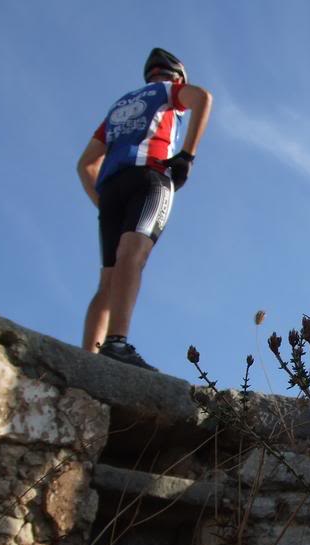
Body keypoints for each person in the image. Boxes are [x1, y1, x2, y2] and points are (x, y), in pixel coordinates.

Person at [77, 48, 212, 370]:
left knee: (107, 279)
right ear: (176, 76)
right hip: (149, 176)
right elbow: (203, 98)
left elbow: (85, 164)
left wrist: (101, 202)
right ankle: (117, 343)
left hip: (111, 187)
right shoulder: (167, 91)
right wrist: (187, 156)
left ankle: (86, 358)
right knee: (133, 255)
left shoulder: (119, 108)